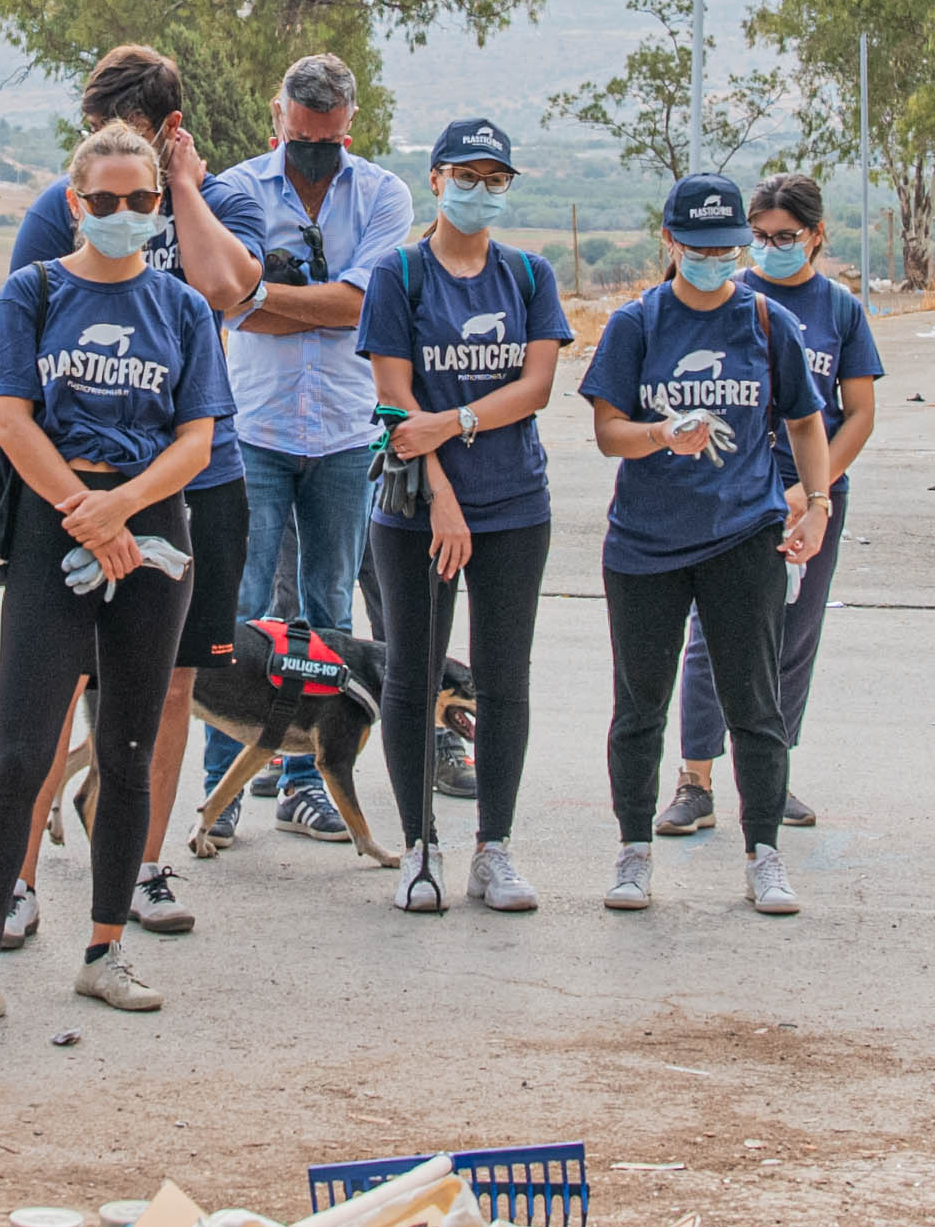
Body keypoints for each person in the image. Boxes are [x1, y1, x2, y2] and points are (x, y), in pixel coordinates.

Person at [0, 121, 228, 1029]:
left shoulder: (180, 306)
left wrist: (123, 507)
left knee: (127, 752)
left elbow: (197, 437)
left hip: (151, 534)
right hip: (51, 526)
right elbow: (12, 420)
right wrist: (85, 511)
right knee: (20, 752)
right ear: (75, 202)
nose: (124, 215)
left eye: (142, 201)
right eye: (104, 201)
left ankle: (104, 949)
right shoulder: (34, 291)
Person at [0, 45, 259, 935]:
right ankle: (20, 881)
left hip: (193, 485)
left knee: (167, 691)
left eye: (135, 152)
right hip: (72, 494)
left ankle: (142, 867)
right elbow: (19, 364)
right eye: (93, 156)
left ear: (170, 136)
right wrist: (86, 505)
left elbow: (227, 291)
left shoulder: (216, 201)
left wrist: (179, 191)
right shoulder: (55, 210)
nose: (115, 203)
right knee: (58, 691)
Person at [580, 173, 837, 919]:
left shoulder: (764, 321)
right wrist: (661, 432)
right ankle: (633, 852)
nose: (714, 259)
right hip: (645, 545)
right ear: (669, 242)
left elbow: (805, 423)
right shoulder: (637, 325)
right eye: (697, 248)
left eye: (728, 247)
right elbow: (606, 433)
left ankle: (763, 854)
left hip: (742, 537)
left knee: (754, 703)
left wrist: (815, 504)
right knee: (639, 707)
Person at [197, 54, 411, 838]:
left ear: (348, 127)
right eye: (300, 138)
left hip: (344, 435)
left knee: (326, 616)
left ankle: (303, 779)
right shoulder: (233, 191)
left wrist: (258, 296)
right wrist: (280, 302)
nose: (313, 153)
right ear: (276, 117)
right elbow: (221, 300)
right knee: (242, 614)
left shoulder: (384, 194)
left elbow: (364, 301)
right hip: (253, 429)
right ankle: (218, 789)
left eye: (327, 141)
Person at [360, 115, 569, 914]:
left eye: (496, 179)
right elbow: (393, 398)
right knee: (411, 675)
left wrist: (453, 422)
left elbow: (535, 386)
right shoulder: (400, 276)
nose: (480, 191)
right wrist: (443, 493)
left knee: (502, 677)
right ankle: (420, 846)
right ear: (436, 178)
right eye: (467, 175)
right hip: (417, 511)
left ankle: (496, 847)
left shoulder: (527, 275)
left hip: (515, 503)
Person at [663, 175, 888, 840]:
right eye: (758, 237)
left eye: (784, 237)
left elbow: (858, 414)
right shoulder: (731, 300)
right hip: (728, 493)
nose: (769, 248)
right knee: (711, 637)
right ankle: (695, 779)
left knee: (792, 638)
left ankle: (769, 775)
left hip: (811, 497)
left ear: (817, 235)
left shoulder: (839, 310)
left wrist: (811, 492)